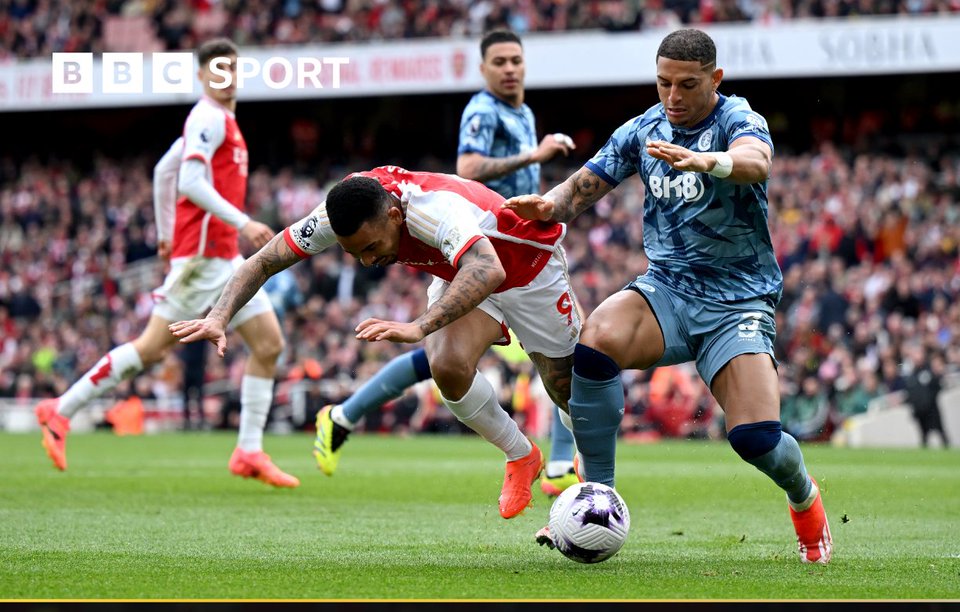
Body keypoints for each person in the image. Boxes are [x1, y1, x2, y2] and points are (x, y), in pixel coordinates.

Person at [505, 29, 834, 564]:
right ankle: (598, 496)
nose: (673, 96)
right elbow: (583, 186)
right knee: (596, 340)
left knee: (754, 438)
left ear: (715, 80)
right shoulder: (643, 129)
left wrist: (709, 162)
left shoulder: (737, 119)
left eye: (687, 84)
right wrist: (548, 206)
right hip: (669, 290)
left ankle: (805, 498)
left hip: (738, 303)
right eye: (663, 83)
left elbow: (756, 161)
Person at [171, 165, 582, 520]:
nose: (367, 261)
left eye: (371, 247)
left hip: (527, 267)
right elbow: (262, 260)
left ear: (394, 214)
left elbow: (488, 268)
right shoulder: (341, 214)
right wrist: (219, 316)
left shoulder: (434, 210)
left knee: (568, 392)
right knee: (448, 366)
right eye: (355, 254)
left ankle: (594, 482)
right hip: (463, 266)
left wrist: (419, 326)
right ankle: (521, 455)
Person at [312, 29, 579, 497]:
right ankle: (551, 463)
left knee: (554, 369)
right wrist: (534, 155)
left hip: (520, 249)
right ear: (483, 69)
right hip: (476, 243)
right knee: (443, 358)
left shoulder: (523, 111)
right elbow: (469, 168)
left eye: (516, 59)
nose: (510, 68)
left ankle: (344, 415)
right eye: (499, 61)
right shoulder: (482, 109)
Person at [36, 40, 298, 488]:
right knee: (150, 349)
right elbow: (190, 180)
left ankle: (248, 451)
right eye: (217, 70)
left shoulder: (221, 121)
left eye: (232, 68)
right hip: (202, 259)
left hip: (218, 256)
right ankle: (59, 410)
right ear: (201, 76)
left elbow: (164, 171)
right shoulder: (208, 116)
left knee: (269, 344)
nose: (227, 77)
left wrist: (162, 234)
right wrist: (243, 221)